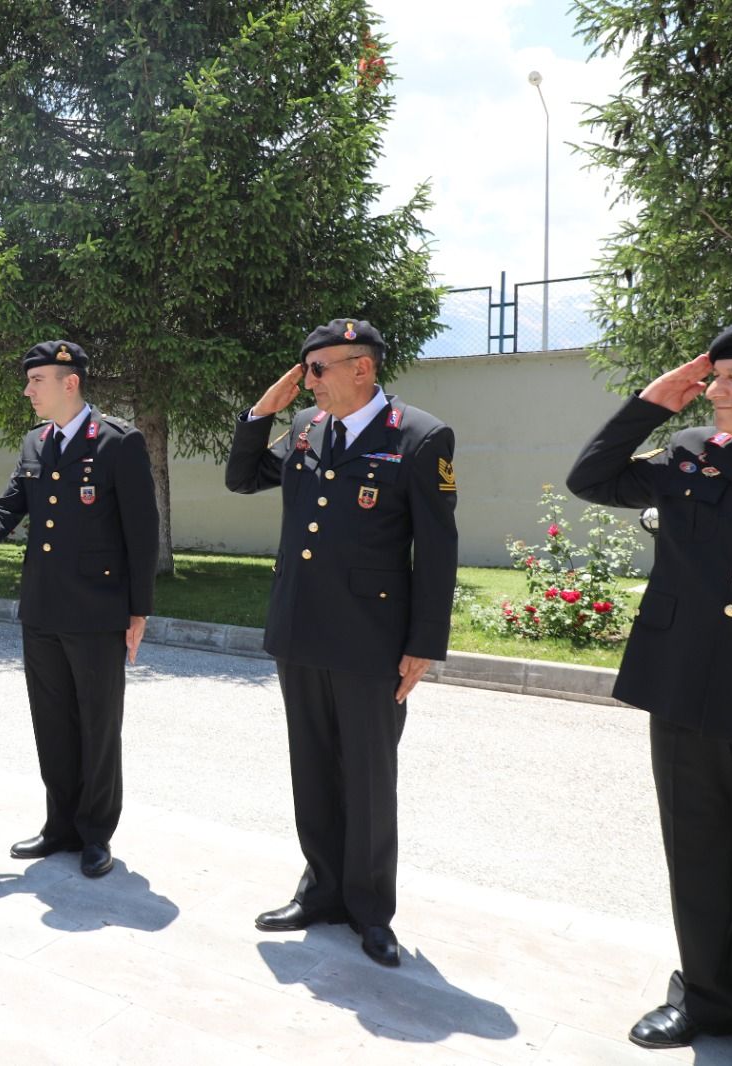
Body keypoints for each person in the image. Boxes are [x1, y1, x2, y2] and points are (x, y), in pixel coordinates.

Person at [224, 318, 457, 968]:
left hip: (370, 640)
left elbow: (438, 551)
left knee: (369, 779)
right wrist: (263, 409)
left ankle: (369, 910)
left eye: (319, 369)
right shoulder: (304, 430)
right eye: (306, 371)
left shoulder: (417, 437)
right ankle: (321, 889)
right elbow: (242, 477)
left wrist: (423, 644)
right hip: (300, 629)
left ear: (365, 368)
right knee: (314, 768)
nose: (311, 381)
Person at [567, 331, 732, 1050]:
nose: (718, 389)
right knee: (696, 847)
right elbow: (592, 479)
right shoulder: (689, 451)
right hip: (687, 681)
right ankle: (707, 997)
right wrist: (648, 406)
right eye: (716, 377)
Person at [0, 341, 158, 880]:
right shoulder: (35, 443)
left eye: (36, 380)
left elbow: (142, 533)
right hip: (42, 608)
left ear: (71, 382)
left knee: (97, 724)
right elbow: (7, 508)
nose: (27, 391)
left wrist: (138, 612)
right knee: (52, 723)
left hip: (96, 610)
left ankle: (95, 833)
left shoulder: (118, 441)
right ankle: (59, 824)